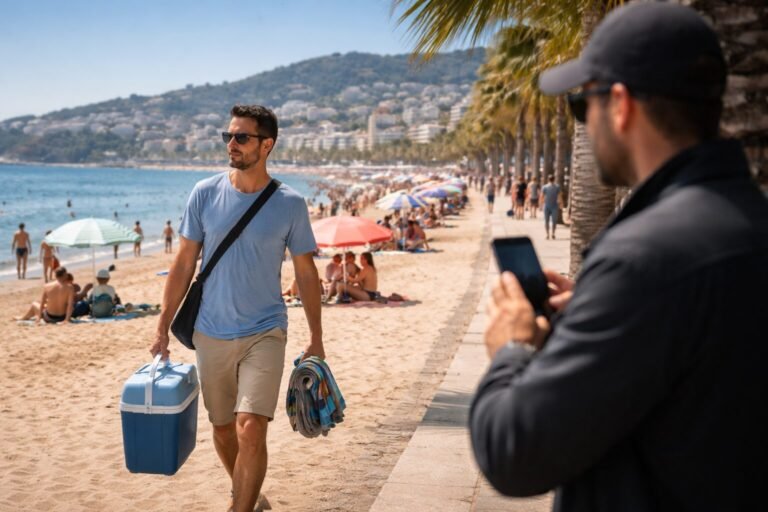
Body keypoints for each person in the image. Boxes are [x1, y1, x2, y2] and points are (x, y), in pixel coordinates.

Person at [471, 4, 768, 511]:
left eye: (583, 106)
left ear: (621, 105)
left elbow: (515, 452)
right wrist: (594, 309)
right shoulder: (747, 220)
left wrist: (511, 350)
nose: (585, 122)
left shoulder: (645, 259)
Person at [150, 104, 323, 512]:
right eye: (228, 136)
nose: (232, 144)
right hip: (209, 332)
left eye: (241, 137)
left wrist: (316, 336)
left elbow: (306, 273)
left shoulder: (290, 204)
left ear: (267, 145)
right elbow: (184, 262)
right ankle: (250, 496)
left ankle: (240, 507)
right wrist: (161, 326)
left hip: (266, 331)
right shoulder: (204, 193)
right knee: (223, 428)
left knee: (251, 428)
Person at [540, 175, 562, 239]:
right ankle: (553, 233)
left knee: (546, 221)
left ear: (548, 179)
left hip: (547, 206)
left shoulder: (545, 187)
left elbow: (542, 196)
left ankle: (547, 234)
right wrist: (561, 204)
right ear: (554, 179)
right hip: (554, 206)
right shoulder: (557, 187)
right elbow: (560, 196)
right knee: (554, 221)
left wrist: (541, 205)